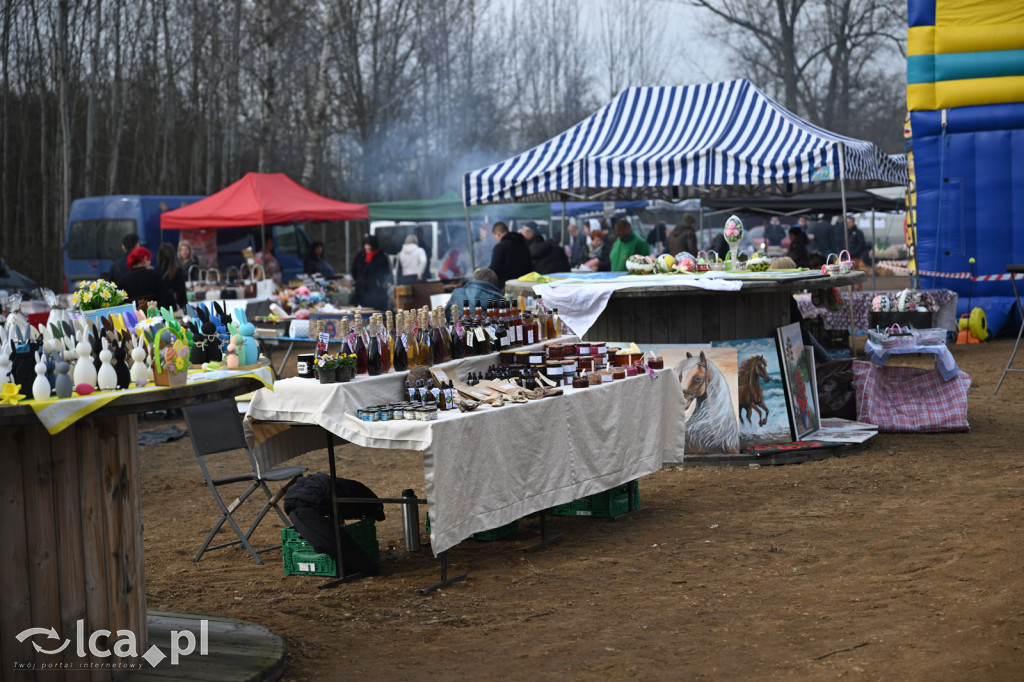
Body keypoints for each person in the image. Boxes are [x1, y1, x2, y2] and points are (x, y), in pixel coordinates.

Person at [351, 235, 391, 311]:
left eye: (369, 245)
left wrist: (380, 283)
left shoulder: (381, 256)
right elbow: (354, 270)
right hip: (362, 289)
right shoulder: (360, 255)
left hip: (376, 290)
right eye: (366, 245)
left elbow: (386, 271)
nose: (367, 247)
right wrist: (359, 281)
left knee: (376, 310)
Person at [156, 242, 187, 311]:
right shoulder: (177, 271)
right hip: (173, 308)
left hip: (159, 308)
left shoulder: (154, 271)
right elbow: (181, 294)